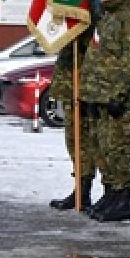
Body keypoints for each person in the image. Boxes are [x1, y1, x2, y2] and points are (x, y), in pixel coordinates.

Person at [77, 0, 130, 223]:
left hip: (119, 98)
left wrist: (119, 93)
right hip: (100, 94)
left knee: (120, 149)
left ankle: (122, 199)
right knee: (104, 148)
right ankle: (110, 193)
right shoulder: (109, 17)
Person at [46, 36, 90, 211]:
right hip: (69, 89)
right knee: (73, 142)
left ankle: (84, 192)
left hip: (82, 88)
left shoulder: (86, 28)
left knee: (83, 144)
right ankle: (80, 191)